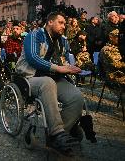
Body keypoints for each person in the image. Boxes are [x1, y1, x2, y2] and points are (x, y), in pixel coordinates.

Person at [16, 12, 85, 154]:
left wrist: (69, 67)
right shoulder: (34, 35)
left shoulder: (62, 40)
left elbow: (64, 59)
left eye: (65, 24)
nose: (63, 26)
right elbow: (33, 58)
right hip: (30, 77)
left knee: (76, 97)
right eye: (60, 22)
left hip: (54, 78)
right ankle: (56, 132)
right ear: (50, 22)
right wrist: (59, 68)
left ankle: (58, 136)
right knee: (47, 83)